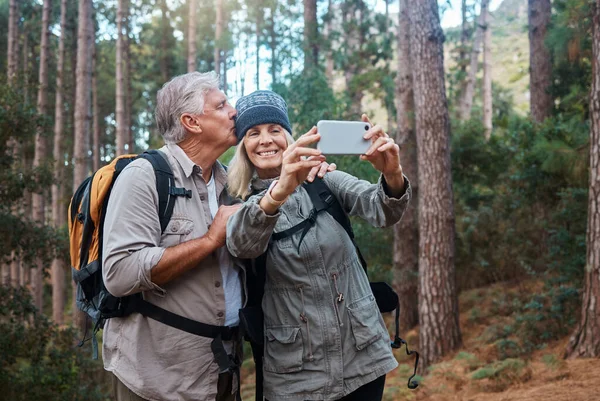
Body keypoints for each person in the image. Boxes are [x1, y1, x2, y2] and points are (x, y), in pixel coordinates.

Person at [226, 90, 412, 401]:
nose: (266, 140)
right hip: (296, 374)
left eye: (275, 130)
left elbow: (382, 209)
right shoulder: (239, 201)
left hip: (361, 356)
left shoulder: (324, 180)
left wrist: (392, 173)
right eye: (253, 133)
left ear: (289, 137)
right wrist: (279, 191)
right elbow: (242, 243)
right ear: (243, 146)